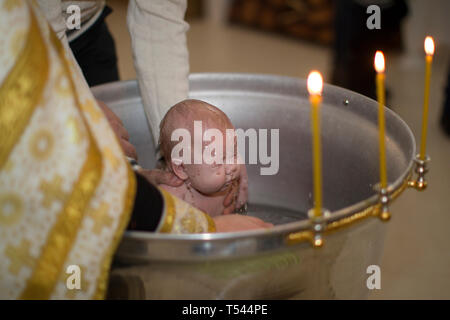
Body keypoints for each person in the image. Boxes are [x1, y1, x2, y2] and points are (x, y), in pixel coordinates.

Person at [0, 0, 268, 300]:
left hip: (85, 28)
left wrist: (187, 141)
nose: (231, 165)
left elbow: (159, 12)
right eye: (221, 155)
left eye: (232, 151)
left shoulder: (207, 185)